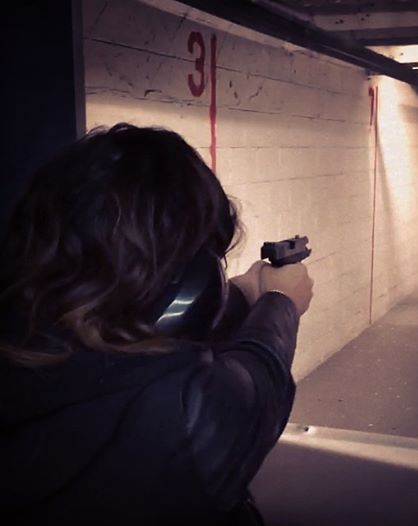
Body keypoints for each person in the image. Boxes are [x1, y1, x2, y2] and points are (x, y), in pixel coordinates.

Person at [0, 123, 313, 525]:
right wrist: (281, 301)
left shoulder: (30, 349)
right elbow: (256, 387)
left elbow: (131, 330)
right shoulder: (178, 404)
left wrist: (243, 295)